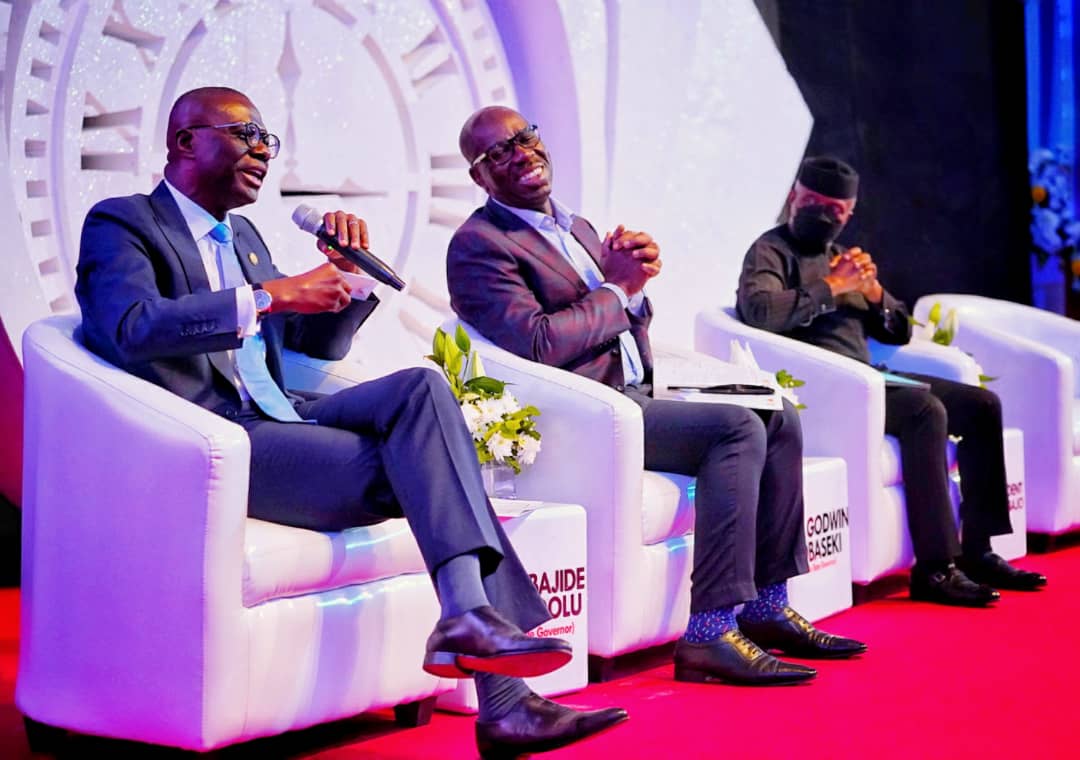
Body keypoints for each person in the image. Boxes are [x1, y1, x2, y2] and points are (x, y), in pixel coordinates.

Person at [74, 86, 628, 758]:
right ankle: (500, 696)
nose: (261, 151)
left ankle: (467, 623)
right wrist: (269, 295)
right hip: (218, 436)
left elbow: (309, 351)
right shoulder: (123, 224)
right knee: (431, 467)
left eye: (266, 141)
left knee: (421, 390)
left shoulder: (243, 237)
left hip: (282, 411)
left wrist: (347, 279)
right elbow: (129, 329)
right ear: (185, 141)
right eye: (244, 133)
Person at [447, 106, 867, 688]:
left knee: (777, 416)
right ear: (479, 177)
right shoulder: (479, 245)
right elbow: (538, 342)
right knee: (736, 428)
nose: (521, 153)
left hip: (634, 389)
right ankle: (710, 633)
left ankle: (768, 607)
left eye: (526, 136)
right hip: (588, 411)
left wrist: (635, 292)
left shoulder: (578, 228)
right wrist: (619, 288)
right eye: (498, 152)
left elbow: (622, 316)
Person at [736, 155, 1047, 607]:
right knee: (925, 411)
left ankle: (978, 549)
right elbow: (760, 314)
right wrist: (830, 287)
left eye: (834, 208)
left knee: (982, 405)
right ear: (793, 197)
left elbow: (898, 328)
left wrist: (875, 294)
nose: (822, 214)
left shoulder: (843, 257)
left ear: (849, 213)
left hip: (872, 377)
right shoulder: (769, 251)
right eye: (812, 202)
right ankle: (936, 568)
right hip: (825, 386)